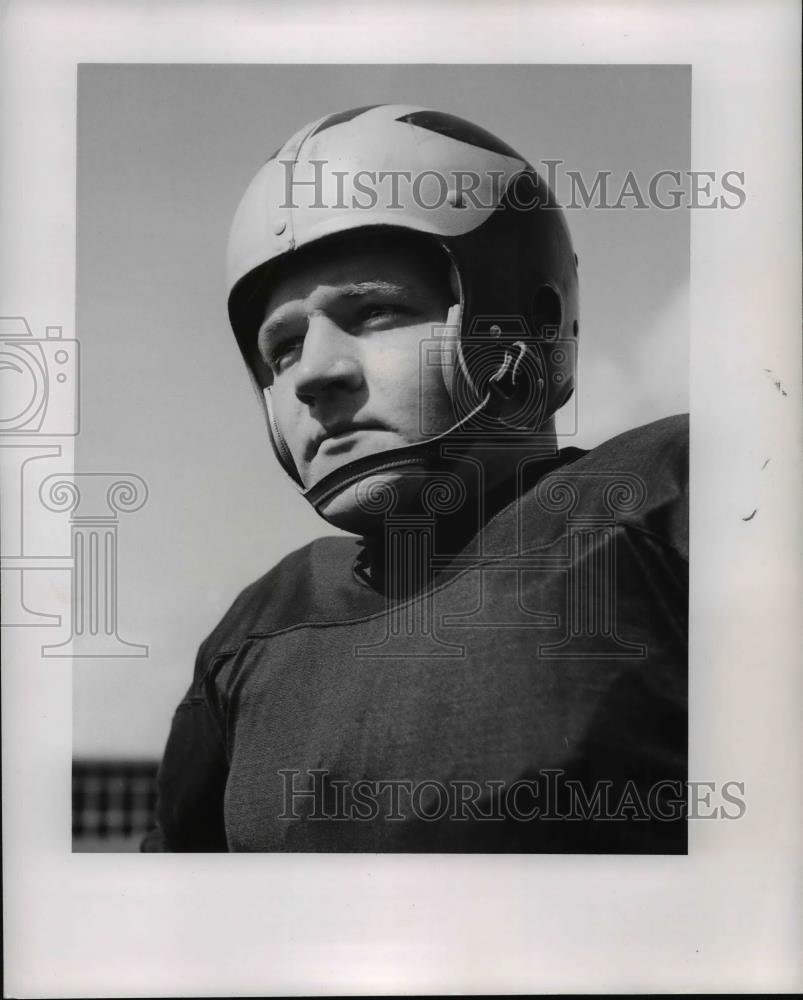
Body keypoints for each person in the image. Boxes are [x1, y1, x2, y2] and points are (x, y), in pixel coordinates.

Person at [142, 105, 688, 853]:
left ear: (527, 320)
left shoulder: (669, 509)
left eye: (374, 312)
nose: (314, 375)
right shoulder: (255, 633)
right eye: (282, 347)